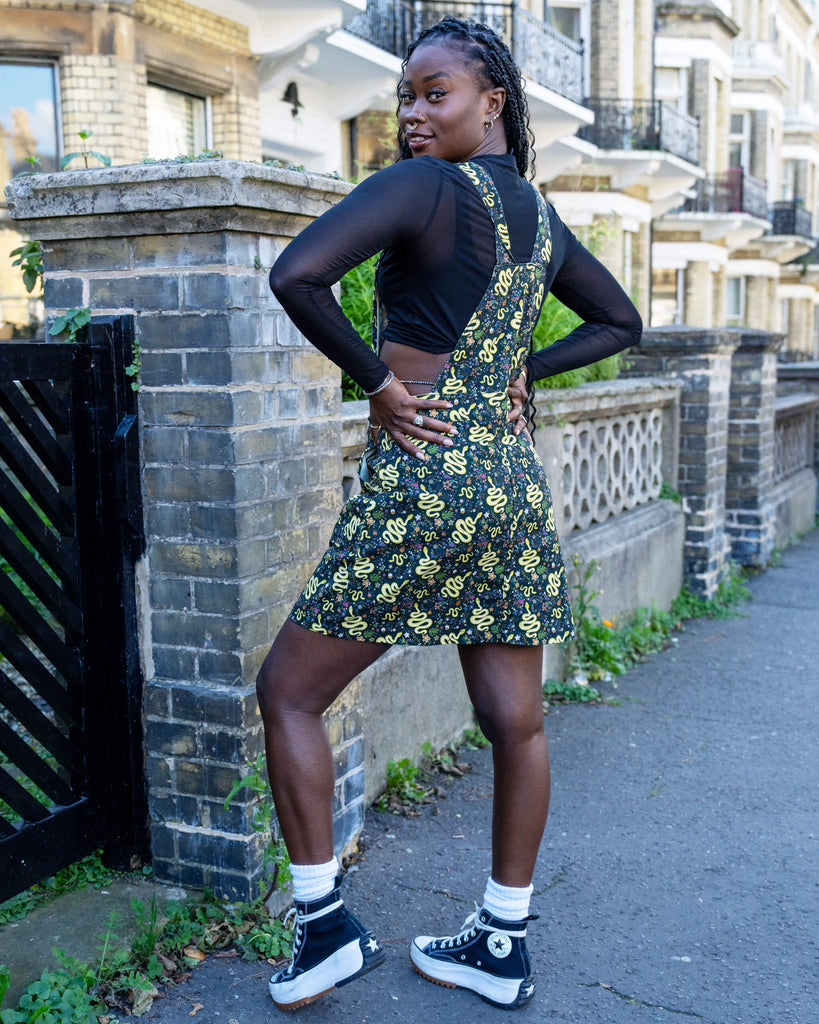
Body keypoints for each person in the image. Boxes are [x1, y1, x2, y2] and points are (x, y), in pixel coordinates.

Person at [259, 14, 642, 1012]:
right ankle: (501, 940)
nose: (414, 114)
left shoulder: (420, 188)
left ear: (493, 102)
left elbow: (296, 275)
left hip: (426, 478)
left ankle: (324, 925)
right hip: (511, 486)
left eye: (435, 94)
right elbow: (622, 321)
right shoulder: (539, 218)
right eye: (406, 99)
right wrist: (527, 371)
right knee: (517, 720)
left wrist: (379, 381)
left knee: (291, 692)